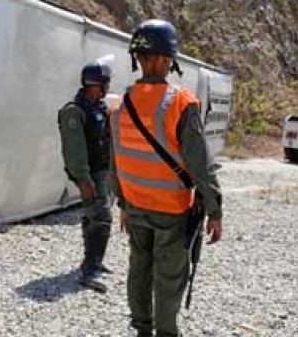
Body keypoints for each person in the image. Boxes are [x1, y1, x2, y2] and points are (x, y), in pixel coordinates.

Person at [107, 19, 223, 337]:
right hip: (170, 210)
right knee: (169, 278)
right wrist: (215, 210)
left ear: (139, 58)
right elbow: (201, 165)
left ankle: (142, 329)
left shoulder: (118, 106)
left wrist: (123, 204)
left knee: (139, 269)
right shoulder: (181, 104)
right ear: (165, 58)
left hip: (136, 207)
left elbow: (114, 162)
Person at [58, 61, 114, 293]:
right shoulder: (74, 110)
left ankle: (94, 261)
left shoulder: (98, 108)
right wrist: (83, 179)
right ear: (97, 85)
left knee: (95, 215)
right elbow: (74, 150)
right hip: (89, 174)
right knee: (100, 216)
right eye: (105, 83)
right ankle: (89, 270)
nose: (108, 87)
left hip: (101, 171)